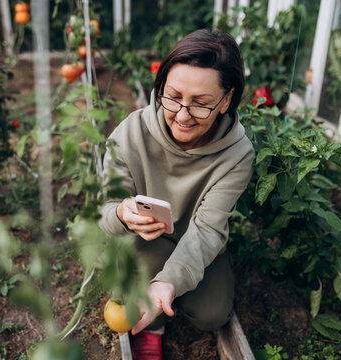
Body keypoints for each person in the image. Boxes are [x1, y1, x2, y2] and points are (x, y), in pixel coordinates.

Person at [98, 29, 255, 360]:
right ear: (161, 87)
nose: (182, 115)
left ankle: (167, 288)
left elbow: (208, 230)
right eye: (173, 97)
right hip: (146, 239)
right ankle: (153, 324)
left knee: (214, 314)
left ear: (226, 99)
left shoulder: (237, 154)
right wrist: (122, 214)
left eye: (201, 104)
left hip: (196, 241)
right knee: (141, 281)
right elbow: (103, 212)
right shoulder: (131, 133)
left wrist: (169, 282)